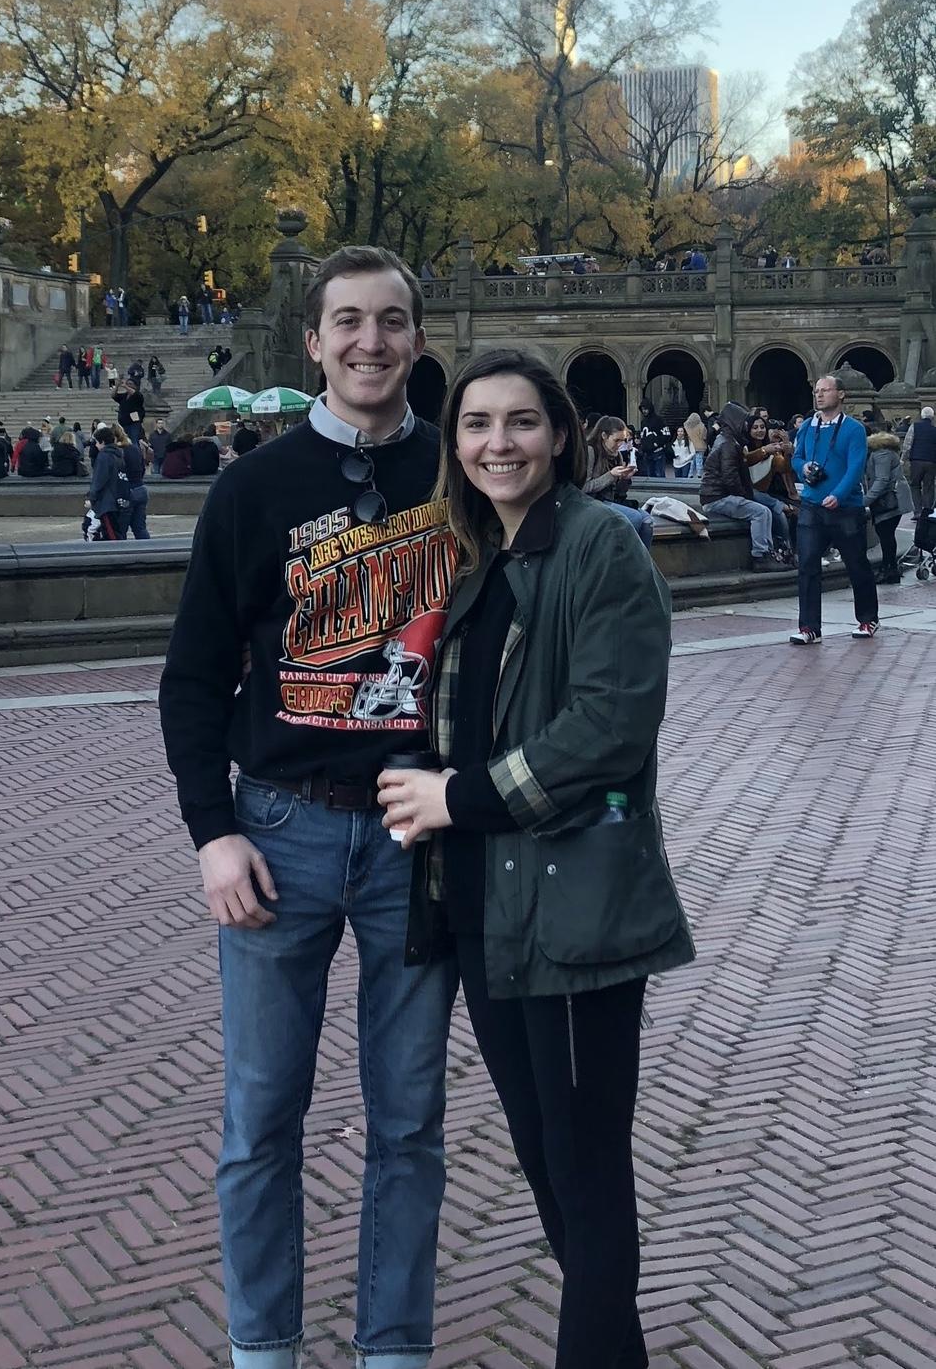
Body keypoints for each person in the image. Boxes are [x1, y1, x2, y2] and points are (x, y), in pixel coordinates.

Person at [159, 244, 457, 1369]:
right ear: (313, 341)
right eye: (347, 321)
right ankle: (263, 1347)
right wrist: (211, 831)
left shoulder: (459, 472)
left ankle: (391, 1349)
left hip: (409, 834)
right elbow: (191, 677)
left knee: (408, 1119)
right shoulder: (251, 489)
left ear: (416, 339)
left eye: (390, 320)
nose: (368, 341)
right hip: (275, 826)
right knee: (258, 1119)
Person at [378, 346, 694, 1369]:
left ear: (560, 434)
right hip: (479, 905)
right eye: (475, 425)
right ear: (452, 441)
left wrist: (454, 795)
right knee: (549, 1168)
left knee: (585, 1170)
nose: (496, 443)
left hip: (572, 903)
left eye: (519, 422)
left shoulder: (600, 546)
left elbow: (609, 727)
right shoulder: (469, 558)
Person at [790, 373, 879, 644]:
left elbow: (856, 468)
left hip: (845, 508)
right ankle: (809, 628)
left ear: (840, 394)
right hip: (811, 505)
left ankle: (868, 619)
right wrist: (802, 468)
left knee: (856, 564)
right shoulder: (807, 426)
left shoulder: (853, 429)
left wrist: (838, 495)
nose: (819, 395)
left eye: (825, 390)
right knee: (806, 565)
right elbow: (796, 457)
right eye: (817, 390)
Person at [698, 403, 791, 572]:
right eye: (743, 421)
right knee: (760, 512)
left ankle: (768, 554)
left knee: (764, 510)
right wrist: (743, 496)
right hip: (717, 498)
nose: (745, 425)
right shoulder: (728, 444)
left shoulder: (728, 440)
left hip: (716, 495)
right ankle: (760, 556)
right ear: (735, 422)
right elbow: (729, 477)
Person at [584, 417, 654, 550]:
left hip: (612, 500)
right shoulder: (591, 451)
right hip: (593, 502)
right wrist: (611, 475)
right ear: (604, 436)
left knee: (648, 521)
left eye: (622, 440)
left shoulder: (617, 455)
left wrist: (625, 478)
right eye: (616, 440)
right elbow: (584, 487)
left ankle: (643, 564)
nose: (619, 445)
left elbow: (620, 493)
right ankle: (625, 560)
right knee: (634, 518)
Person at [865, 425, 910, 584]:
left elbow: (882, 480)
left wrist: (866, 500)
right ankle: (890, 568)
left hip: (888, 501)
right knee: (887, 535)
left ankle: (888, 570)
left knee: (886, 535)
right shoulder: (882, 451)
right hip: (891, 500)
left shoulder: (881, 454)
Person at [87, 424, 129, 540]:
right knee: (116, 533)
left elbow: (99, 480)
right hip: (119, 500)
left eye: (97, 442)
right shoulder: (119, 455)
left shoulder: (104, 456)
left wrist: (92, 497)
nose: (95, 445)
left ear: (102, 442)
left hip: (107, 502)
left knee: (111, 535)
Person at [111, 421, 150, 538]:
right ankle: (148, 552)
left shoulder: (118, 452)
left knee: (121, 530)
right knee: (140, 528)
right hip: (141, 488)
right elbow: (142, 467)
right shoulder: (134, 448)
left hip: (128, 491)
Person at [904, 404, 936, 518]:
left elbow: (908, 443)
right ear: (932, 417)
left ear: (921, 416)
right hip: (931, 461)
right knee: (929, 486)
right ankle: (927, 511)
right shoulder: (934, 430)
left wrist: (904, 458)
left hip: (916, 460)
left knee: (915, 485)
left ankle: (917, 511)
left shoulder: (914, 426)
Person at [117, 381, 146, 445]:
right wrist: (116, 386)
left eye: (130, 384)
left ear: (135, 386)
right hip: (124, 422)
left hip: (134, 423)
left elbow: (135, 393)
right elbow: (113, 395)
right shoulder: (124, 396)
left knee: (134, 441)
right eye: (127, 384)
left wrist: (125, 386)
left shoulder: (138, 395)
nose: (128, 385)